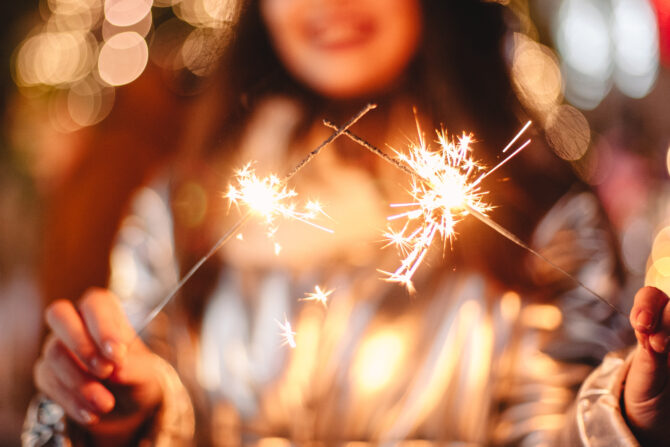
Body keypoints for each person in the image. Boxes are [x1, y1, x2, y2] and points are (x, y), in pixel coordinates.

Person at [23, 0, 670, 445]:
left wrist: (626, 418)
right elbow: (145, 373)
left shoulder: (542, 221)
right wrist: (120, 417)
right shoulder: (181, 210)